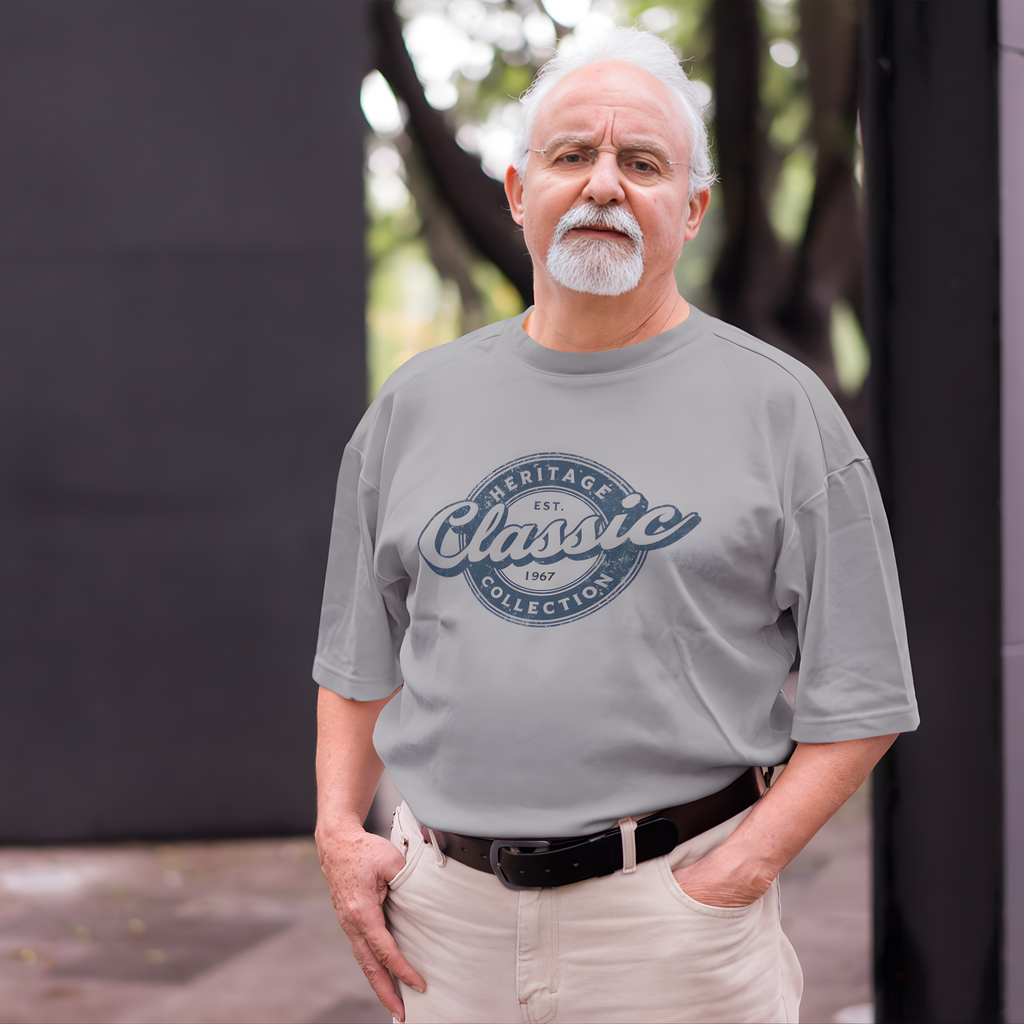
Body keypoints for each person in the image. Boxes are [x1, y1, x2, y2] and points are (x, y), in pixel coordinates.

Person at [313, 28, 917, 1024]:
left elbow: (866, 693)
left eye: (641, 163)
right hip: (444, 930)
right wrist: (339, 830)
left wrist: (732, 873)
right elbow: (354, 659)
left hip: (670, 928)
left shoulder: (781, 409)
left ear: (692, 209)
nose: (603, 185)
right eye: (570, 156)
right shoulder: (414, 406)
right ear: (517, 192)